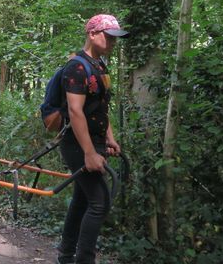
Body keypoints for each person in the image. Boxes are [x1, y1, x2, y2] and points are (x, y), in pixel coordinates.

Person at [56, 14, 129, 264]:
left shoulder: (99, 66)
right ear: (92, 34)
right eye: (108, 37)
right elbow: (75, 111)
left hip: (93, 140)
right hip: (77, 144)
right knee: (99, 203)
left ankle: (65, 256)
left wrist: (110, 138)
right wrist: (88, 152)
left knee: (82, 200)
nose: (112, 42)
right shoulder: (76, 66)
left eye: (115, 38)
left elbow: (99, 108)